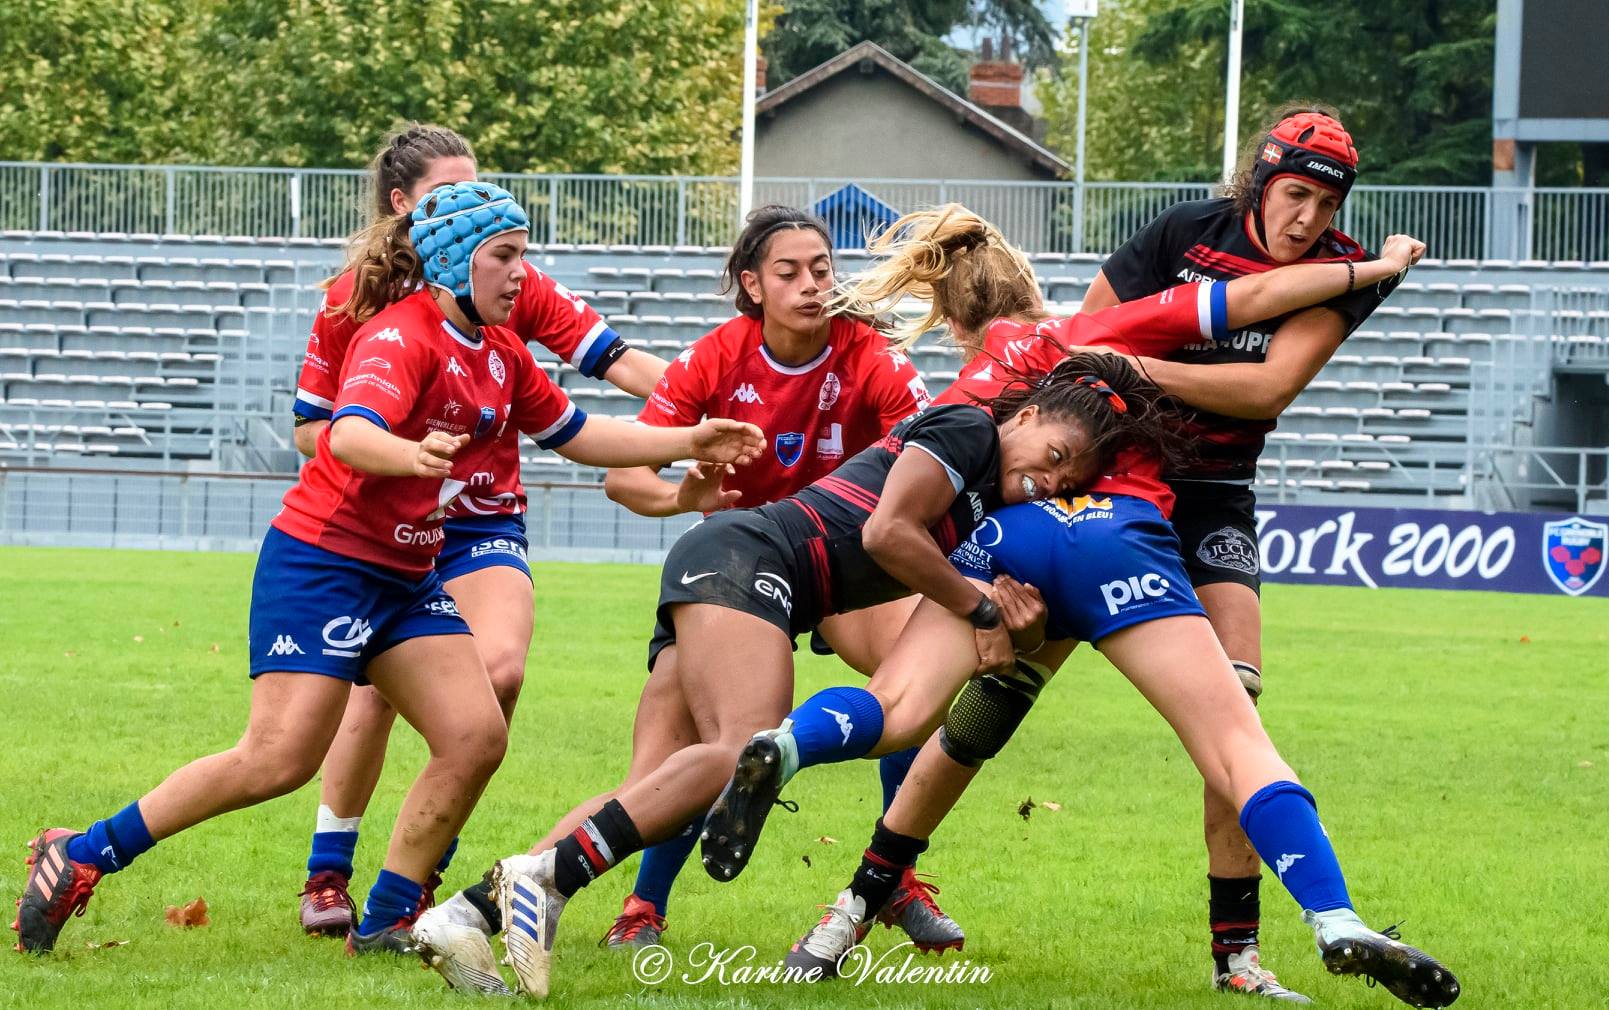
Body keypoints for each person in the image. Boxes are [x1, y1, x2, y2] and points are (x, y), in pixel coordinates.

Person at [724, 206, 1457, 1008]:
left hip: (1009, 551)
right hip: (1120, 540)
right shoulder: (1094, 335)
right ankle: (1320, 920)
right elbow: (1246, 312)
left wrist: (978, 607)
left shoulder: (990, 374)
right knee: (1233, 737)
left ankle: (837, 883)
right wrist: (1376, 268)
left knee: (918, 719)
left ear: (966, 323)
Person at [11, 182, 762, 960]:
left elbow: (579, 434)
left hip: (405, 576)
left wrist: (689, 437)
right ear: (453, 261)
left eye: (523, 256)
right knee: (276, 760)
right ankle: (85, 851)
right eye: (504, 257)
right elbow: (346, 435)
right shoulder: (400, 338)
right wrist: (410, 454)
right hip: (325, 564)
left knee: (474, 735)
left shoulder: (500, 351)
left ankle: (388, 920)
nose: (520, 275)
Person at [415, 344, 1164, 997]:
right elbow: (887, 532)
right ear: (1025, 418)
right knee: (742, 746)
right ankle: (544, 881)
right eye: (1054, 457)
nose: (1047, 481)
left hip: (749, 574)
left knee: (659, 789)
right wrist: (981, 611)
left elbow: (956, 594)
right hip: (751, 559)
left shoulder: (987, 503)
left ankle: (466, 915)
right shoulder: (969, 427)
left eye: (1067, 483)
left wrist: (1005, 625)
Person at [288, 124, 668, 937]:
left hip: (481, 521)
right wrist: (396, 459)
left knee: (495, 673)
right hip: (382, 528)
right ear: (404, 206)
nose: (469, 205)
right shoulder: (352, 300)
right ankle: (328, 873)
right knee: (373, 694)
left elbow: (614, 360)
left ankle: (414, 874)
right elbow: (313, 432)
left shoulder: (506, 272)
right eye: (446, 191)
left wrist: (705, 409)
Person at [1079, 105, 1402, 999]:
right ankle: (868, 893)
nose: (1307, 218)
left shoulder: (1346, 270)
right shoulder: (1184, 231)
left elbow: (1263, 393)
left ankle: (1237, 960)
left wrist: (1135, 370)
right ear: (1260, 181)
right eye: (1294, 193)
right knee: (995, 686)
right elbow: (1083, 335)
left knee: (1238, 709)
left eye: (1325, 202)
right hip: (1108, 485)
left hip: (1215, 496)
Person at [595, 205, 955, 951]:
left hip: (844, 563)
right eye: (788, 272)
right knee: (694, 736)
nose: (810, 284)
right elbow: (624, 476)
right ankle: (642, 908)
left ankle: (889, 880)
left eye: (821, 269)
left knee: (910, 678)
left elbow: (932, 443)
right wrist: (684, 497)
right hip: (736, 568)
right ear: (752, 285)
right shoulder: (714, 359)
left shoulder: (868, 354)